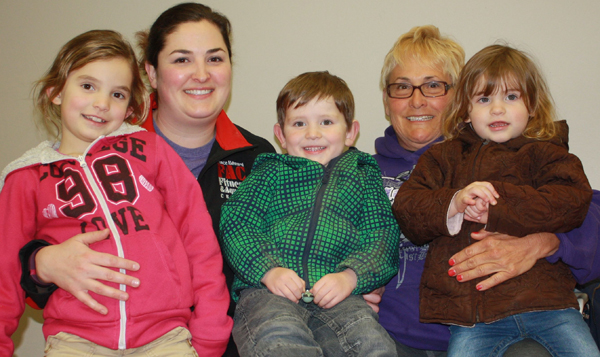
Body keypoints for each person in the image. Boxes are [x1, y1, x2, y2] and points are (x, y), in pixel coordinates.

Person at [17, 3, 274, 356]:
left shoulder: (261, 158)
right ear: (151, 74)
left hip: (226, 345)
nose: (201, 73)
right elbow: (20, 269)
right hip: (90, 338)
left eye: (215, 58)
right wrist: (40, 264)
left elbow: (289, 254)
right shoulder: (93, 155)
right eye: (182, 59)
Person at [372, 25, 600, 356]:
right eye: (402, 86)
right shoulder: (357, 170)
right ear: (386, 98)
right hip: (390, 332)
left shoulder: (523, 152)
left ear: (456, 97)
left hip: (508, 315)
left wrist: (545, 242)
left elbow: (578, 205)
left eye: (433, 85)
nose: (416, 100)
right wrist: (350, 279)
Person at [220, 71, 399, 356]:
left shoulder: (363, 175)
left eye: (326, 122)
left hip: (340, 292)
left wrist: (352, 276)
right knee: (278, 337)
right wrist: (268, 270)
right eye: (299, 123)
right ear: (280, 134)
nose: (312, 133)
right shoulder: (268, 172)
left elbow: (382, 235)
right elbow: (238, 223)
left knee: (371, 343)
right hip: (270, 291)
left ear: (351, 131)